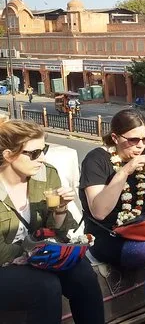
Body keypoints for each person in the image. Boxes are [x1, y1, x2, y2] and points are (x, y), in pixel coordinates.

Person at [0, 119, 104, 324]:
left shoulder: (46, 174)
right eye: (34, 153)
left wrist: (61, 209)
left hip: (37, 256)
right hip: (8, 262)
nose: (42, 158)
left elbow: (58, 234)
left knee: (83, 274)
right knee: (46, 286)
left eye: (44, 149)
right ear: (9, 155)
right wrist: (33, 253)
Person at [80, 109, 145, 324]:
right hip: (109, 236)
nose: (140, 145)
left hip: (144, 228)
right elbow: (99, 211)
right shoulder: (96, 160)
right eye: (133, 140)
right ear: (115, 138)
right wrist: (124, 171)